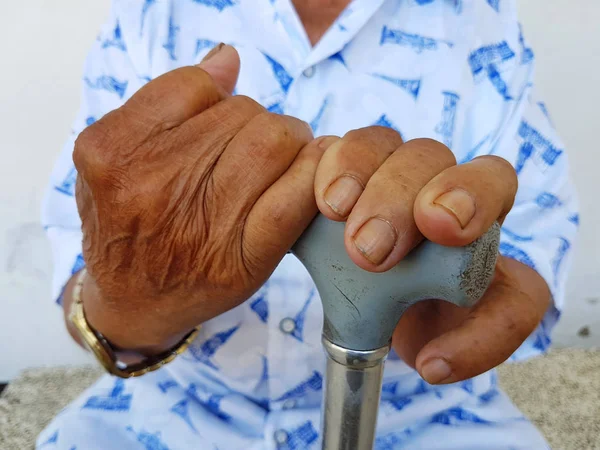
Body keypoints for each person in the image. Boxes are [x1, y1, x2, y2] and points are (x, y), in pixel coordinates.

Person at [38, 0, 578, 448]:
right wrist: (133, 307)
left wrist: (487, 284)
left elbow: (529, 233)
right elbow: (79, 255)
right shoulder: (152, 15)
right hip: (175, 406)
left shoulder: (481, 21)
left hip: (427, 418)